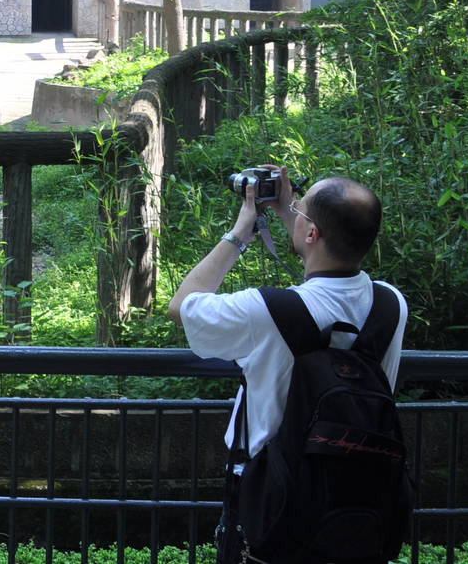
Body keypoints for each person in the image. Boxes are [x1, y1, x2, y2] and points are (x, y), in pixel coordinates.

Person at [167, 167, 409, 563]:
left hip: (274, 499)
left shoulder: (267, 310)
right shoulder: (391, 305)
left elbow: (183, 306)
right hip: (360, 494)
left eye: (302, 210)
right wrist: (290, 213)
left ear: (311, 233)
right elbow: (331, 262)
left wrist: (240, 233)